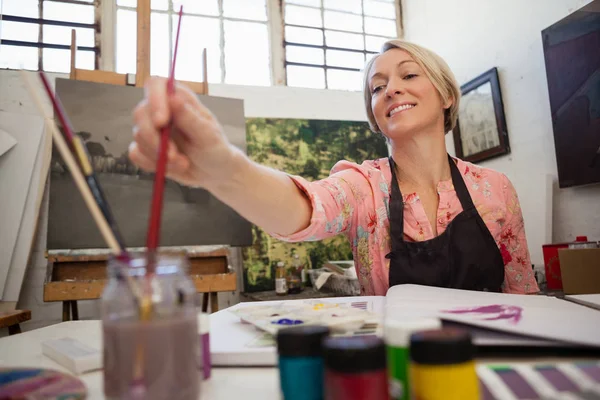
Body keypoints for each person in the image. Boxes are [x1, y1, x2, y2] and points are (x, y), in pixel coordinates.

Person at [128, 39, 539, 296]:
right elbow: (306, 209)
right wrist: (224, 168)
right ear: (376, 114)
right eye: (377, 87)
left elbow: (523, 294)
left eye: (408, 74)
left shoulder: (495, 188)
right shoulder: (363, 186)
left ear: (447, 94)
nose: (390, 88)